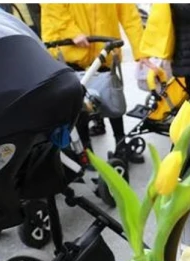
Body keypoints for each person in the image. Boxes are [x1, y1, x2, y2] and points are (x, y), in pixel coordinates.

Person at [41, 4, 142, 153]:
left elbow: (130, 16)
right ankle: (86, 151)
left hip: (104, 50)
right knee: (79, 105)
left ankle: (121, 145)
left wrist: (141, 52)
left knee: (112, 98)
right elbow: (53, 7)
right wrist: (72, 32)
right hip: (71, 51)